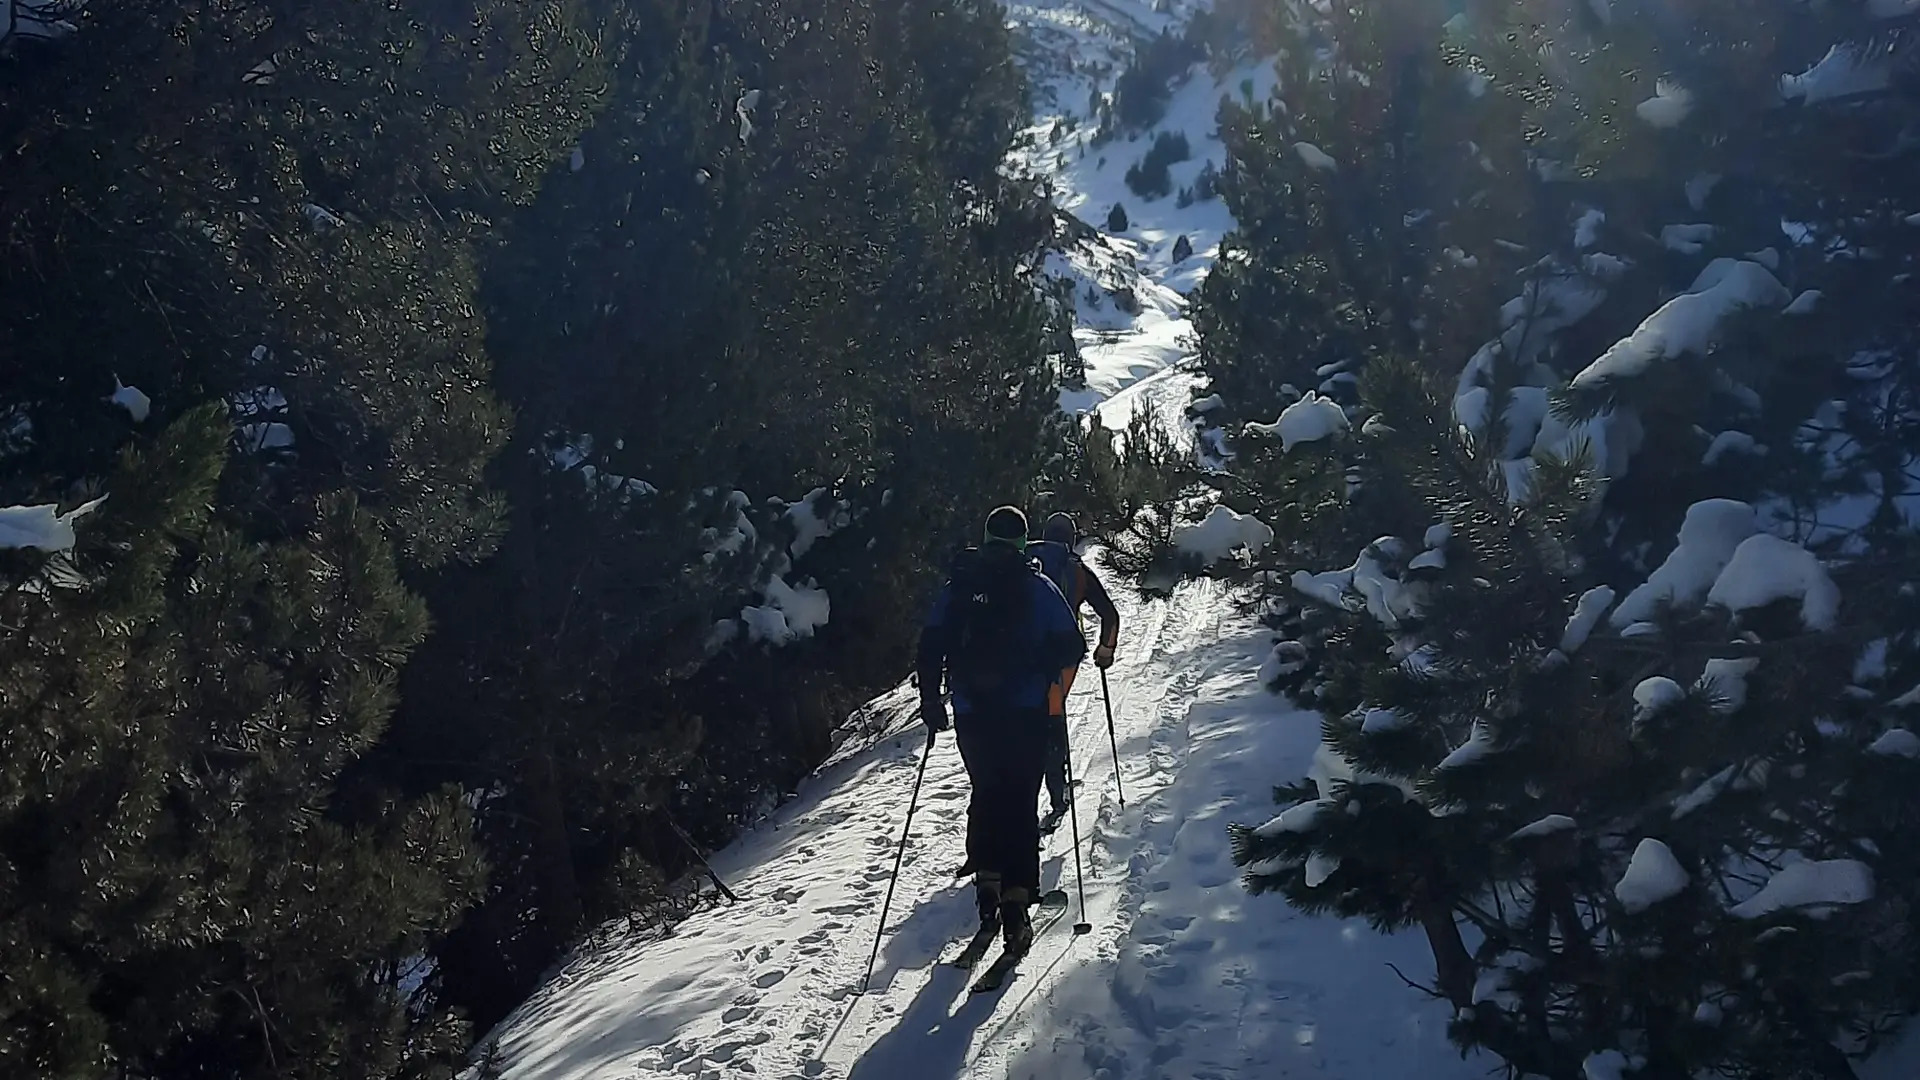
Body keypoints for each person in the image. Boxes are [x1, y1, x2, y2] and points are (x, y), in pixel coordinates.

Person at [918, 506, 1087, 951]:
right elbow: (1073, 645)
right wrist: (1044, 667)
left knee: (987, 792)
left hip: (973, 713)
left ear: (987, 535)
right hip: (1025, 711)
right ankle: (1017, 903)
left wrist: (931, 700)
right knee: (1019, 800)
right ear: (1023, 541)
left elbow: (931, 643)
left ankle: (987, 885)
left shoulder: (959, 587)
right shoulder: (1038, 588)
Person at [1030, 512, 1120, 826]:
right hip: (1060, 662)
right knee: (1053, 719)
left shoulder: (1022, 563)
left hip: (1014, 661)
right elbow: (1110, 615)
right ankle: (1058, 794)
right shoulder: (1077, 572)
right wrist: (1105, 651)